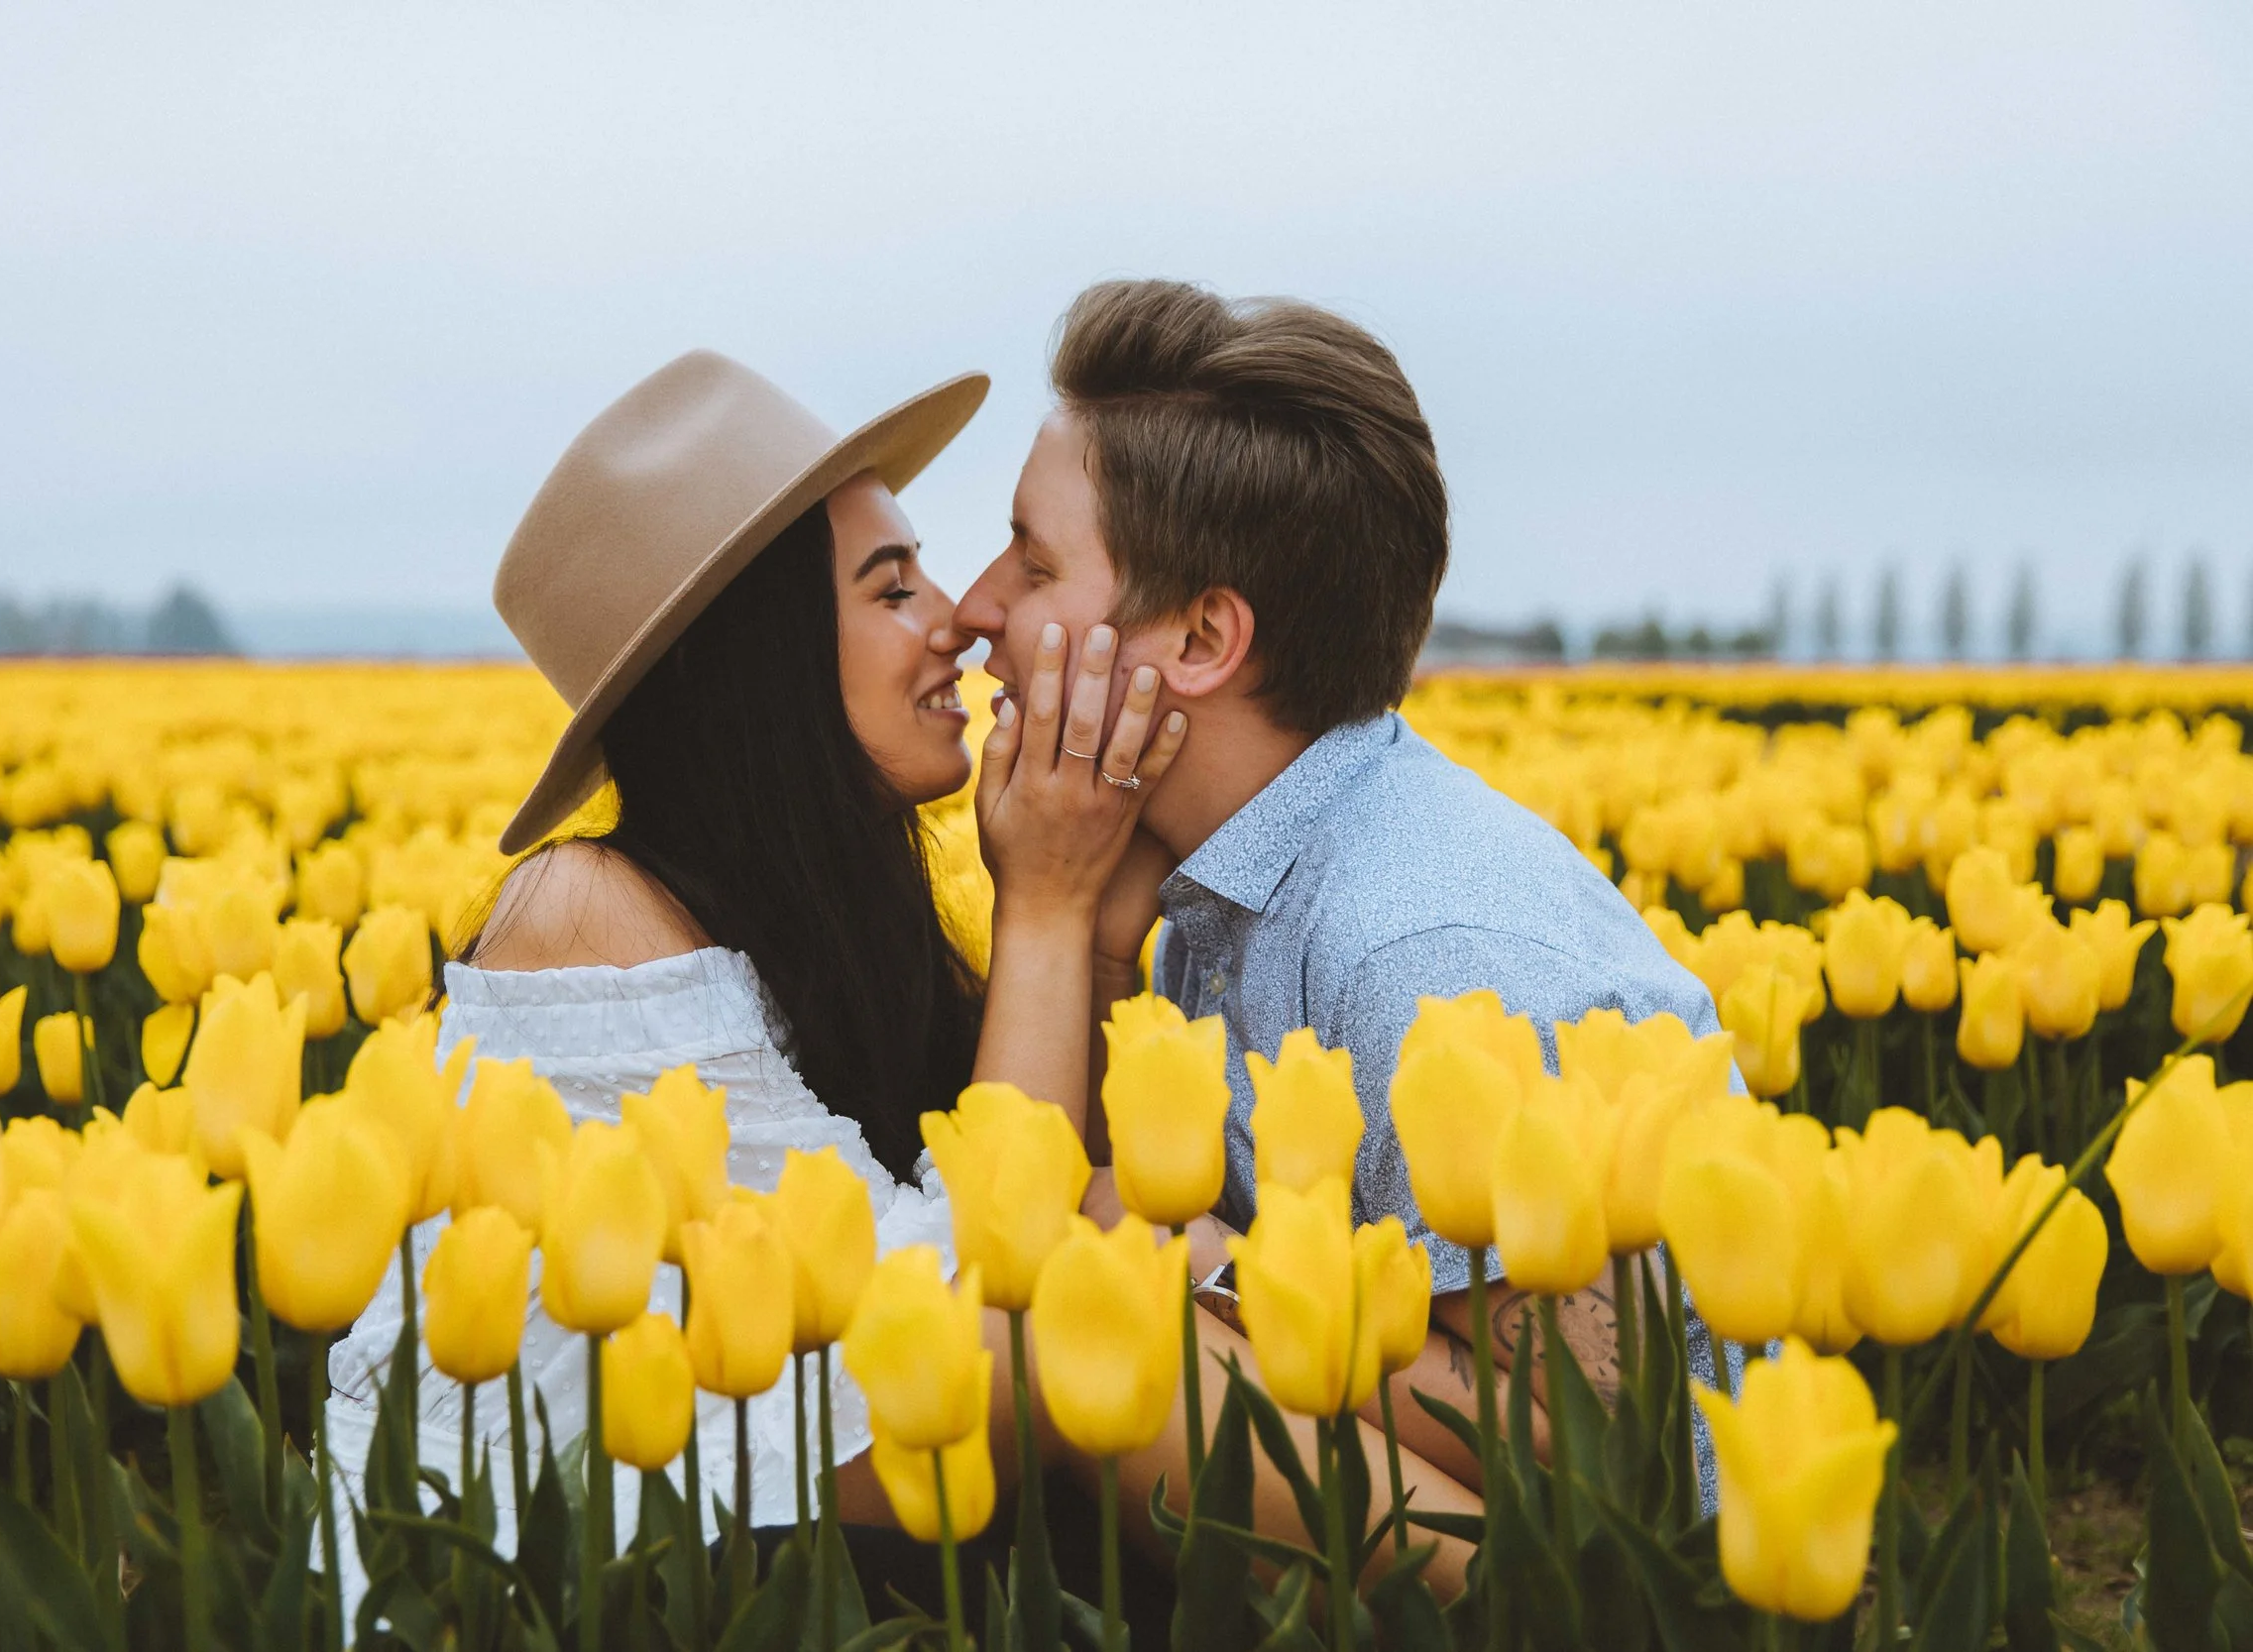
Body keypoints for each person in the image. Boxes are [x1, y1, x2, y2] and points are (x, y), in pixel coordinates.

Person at [322, 349, 1482, 1621]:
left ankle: (1552, 1552)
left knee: (1120, 1279)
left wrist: (1089, 931)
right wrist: (1047, 902)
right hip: (594, 1558)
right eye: (891, 588)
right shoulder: (585, 912)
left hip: (794, 1503)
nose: (960, 616)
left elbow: (1020, 1210)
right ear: (757, 662)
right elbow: (984, 1275)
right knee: (1095, 1332)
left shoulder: (816, 904)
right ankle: (1546, 1596)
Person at [953, 278, 1735, 1498]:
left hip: (1641, 1583)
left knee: (1063, 1343)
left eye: (1034, 563)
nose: (975, 607)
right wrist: (1098, 945)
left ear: (1204, 642)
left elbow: (1595, 1443)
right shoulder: (1227, 868)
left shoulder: (1423, 949)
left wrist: (1204, 1267)